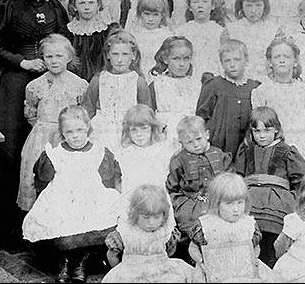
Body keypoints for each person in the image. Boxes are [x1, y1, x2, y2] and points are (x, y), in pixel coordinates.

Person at [0, 0, 69, 250]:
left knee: (52, 149)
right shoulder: (11, 7)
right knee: (12, 150)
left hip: (51, 85)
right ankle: (8, 232)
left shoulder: (56, 8)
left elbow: (64, 44)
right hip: (17, 84)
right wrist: (23, 62)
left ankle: (48, 229)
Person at [22, 105, 121, 283]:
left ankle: (81, 262)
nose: (75, 136)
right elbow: (43, 178)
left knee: (97, 219)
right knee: (59, 220)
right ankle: (65, 261)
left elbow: (107, 177)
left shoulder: (98, 152)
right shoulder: (55, 154)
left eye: (79, 130)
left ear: (88, 128)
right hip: (62, 197)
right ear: (62, 133)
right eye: (69, 132)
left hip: (91, 197)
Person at [17, 34, 88, 212]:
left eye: (59, 56)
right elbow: (31, 114)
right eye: (49, 57)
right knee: (38, 174)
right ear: (42, 58)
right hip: (41, 137)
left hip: (69, 137)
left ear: (69, 57)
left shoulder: (79, 85)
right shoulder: (35, 86)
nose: (54, 61)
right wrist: (44, 129)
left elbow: (83, 113)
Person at [235, 106, 305, 268]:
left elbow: (301, 178)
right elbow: (239, 176)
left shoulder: (287, 151)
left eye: (267, 130)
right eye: (257, 131)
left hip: (278, 197)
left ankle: (271, 261)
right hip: (251, 194)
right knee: (246, 227)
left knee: (272, 230)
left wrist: (295, 198)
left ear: (276, 129)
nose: (262, 136)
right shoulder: (246, 149)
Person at [165, 115, 234, 261]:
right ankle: (192, 254)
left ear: (207, 135)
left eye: (199, 139)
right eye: (189, 142)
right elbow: (173, 187)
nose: (195, 145)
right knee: (192, 217)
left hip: (218, 199)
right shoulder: (178, 160)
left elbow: (230, 180)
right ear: (181, 142)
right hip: (191, 200)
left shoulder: (219, 155)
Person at [188, 172, 275, 282]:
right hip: (214, 271)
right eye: (229, 204)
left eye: (240, 202)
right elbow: (193, 248)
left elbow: (255, 246)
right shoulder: (207, 225)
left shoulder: (248, 224)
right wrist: (201, 261)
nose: (236, 209)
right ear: (217, 204)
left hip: (242, 271)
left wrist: (255, 257)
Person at [101, 185, 193, 283]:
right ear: (135, 214)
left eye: (157, 217)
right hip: (131, 270)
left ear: (164, 215)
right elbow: (111, 255)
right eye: (146, 217)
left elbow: (170, 252)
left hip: (161, 270)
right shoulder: (126, 232)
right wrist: (119, 272)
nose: (151, 223)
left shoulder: (164, 232)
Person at [82, 29, 152, 153]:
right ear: (108, 55)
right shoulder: (98, 79)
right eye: (115, 54)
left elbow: (146, 112)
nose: (120, 60)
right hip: (102, 130)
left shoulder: (138, 81)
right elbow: (88, 109)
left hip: (129, 131)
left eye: (125, 54)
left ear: (133, 55)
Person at [251, 36, 305, 157]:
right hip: (274, 148)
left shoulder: (304, 91)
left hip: (301, 147)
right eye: (277, 57)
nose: (282, 60)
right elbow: (260, 123)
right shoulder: (262, 91)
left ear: (295, 61)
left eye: (286, 56)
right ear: (270, 62)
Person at [196, 39, 261, 161]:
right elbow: (201, 116)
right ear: (221, 63)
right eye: (227, 60)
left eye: (237, 59)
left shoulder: (254, 87)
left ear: (246, 60)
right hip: (219, 145)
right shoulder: (213, 85)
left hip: (246, 145)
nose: (232, 64)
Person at [148, 36, 202, 149]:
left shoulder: (197, 85)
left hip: (192, 139)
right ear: (165, 59)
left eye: (186, 58)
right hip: (165, 138)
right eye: (176, 59)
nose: (182, 64)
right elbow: (148, 116)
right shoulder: (157, 85)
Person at [223, 0, 283, 80]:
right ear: (241, 6)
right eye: (249, 6)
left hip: (267, 78)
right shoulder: (232, 29)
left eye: (258, 5)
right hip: (238, 78)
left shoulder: (274, 29)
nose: (254, 10)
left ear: (265, 6)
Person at [116, 104, 175, 196]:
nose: (139, 134)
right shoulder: (126, 153)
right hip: (132, 197)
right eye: (134, 130)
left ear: (153, 128)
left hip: (157, 197)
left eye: (144, 129)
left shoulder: (161, 151)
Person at [60, 0, 115, 82]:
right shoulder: (67, 31)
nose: (86, 7)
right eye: (82, 3)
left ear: (98, 5)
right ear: (75, 6)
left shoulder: (107, 31)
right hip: (73, 80)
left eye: (91, 2)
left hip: (101, 80)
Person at [175, 0, 225, 83]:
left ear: (212, 6)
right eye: (195, 2)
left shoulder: (220, 31)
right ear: (189, 7)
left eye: (205, 1)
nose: (200, 5)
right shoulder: (182, 31)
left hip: (213, 75)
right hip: (190, 77)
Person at [125, 0, 173, 83]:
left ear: (162, 16)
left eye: (155, 15)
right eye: (147, 14)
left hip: (159, 76)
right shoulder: (134, 34)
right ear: (140, 14)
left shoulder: (167, 35)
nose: (150, 19)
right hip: (137, 75)